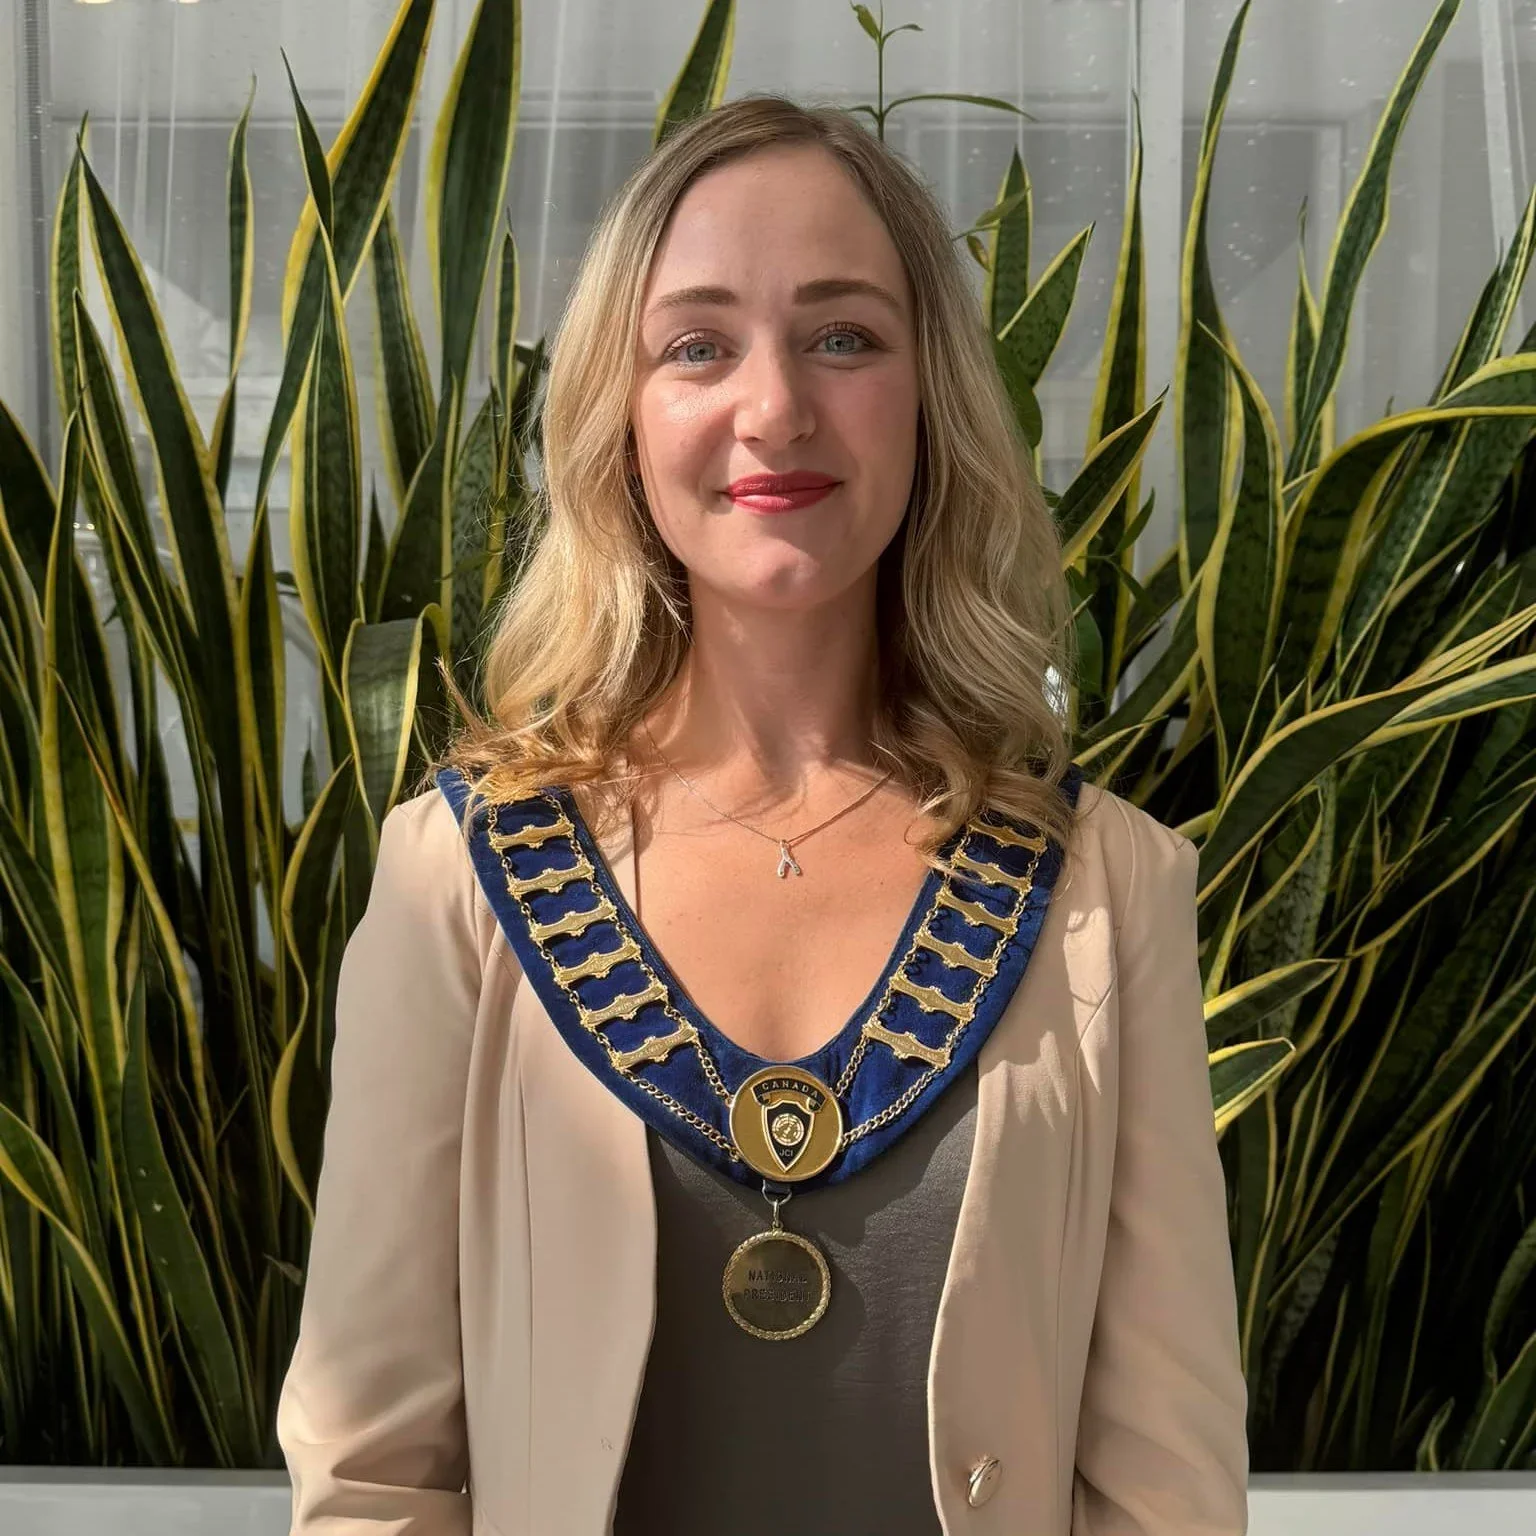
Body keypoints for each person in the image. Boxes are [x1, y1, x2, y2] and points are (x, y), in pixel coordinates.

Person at [275, 93, 1249, 1535]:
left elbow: (1166, 1489)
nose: (775, 406)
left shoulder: (1107, 891)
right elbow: (371, 1475)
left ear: (932, 395)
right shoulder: (461, 881)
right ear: (623, 413)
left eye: (845, 334)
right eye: (697, 345)